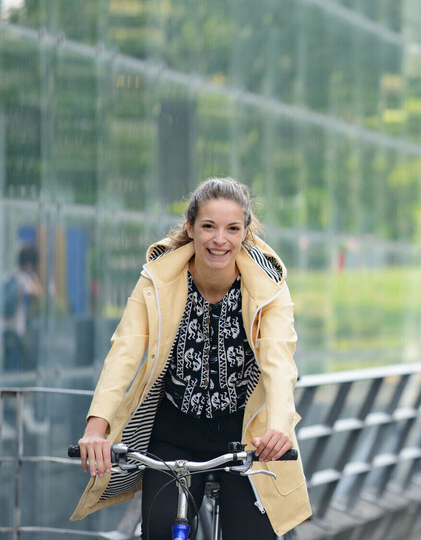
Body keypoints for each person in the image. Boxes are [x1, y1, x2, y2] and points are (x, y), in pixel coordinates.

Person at [72, 178, 311, 538]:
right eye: (208, 227)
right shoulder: (158, 279)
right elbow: (125, 350)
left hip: (244, 435)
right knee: (161, 530)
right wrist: (96, 428)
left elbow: (279, 362)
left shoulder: (267, 285)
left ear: (245, 233)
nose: (220, 240)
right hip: (174, 433)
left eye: (232, 229)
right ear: (190, 228)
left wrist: (278, 428)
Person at [0, 245, 42, 372]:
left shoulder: (10, 275)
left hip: (4, 327)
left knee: (7, 365)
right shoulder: (23, 279)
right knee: (14, 369)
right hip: (16, 330)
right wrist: (34, 276)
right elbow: (38, 292)